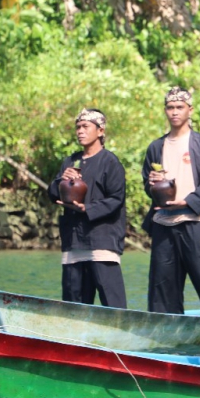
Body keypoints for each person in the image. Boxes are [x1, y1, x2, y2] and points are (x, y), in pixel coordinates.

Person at [141, 86, 200, 315]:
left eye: (180, 107)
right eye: (170, 107)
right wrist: (152, 184)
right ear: (165, 111)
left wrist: (188, 202)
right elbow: (147, 184)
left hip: (195, 221)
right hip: (163, 223)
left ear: (190, 110)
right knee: (162, 290)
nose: (174, 112)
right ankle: (165, 334)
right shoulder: (155, 147)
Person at [48, 108, 127, 308]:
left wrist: (87, 208)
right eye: (77, 127)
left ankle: (120, 335)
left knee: (112, 304)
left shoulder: (111, 162)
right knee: (74, 306)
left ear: (100, 131)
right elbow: (53, 192)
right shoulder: (71, 161)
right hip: (73, 241)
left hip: (102, 241)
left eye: (85, 127)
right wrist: (60, 181)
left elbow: (116, 199)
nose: (80, 131)